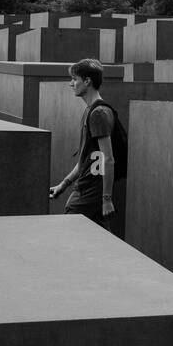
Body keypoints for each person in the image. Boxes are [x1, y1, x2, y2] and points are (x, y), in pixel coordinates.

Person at [49, 59, 118, 229]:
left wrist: (106, 199)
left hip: (90, 190)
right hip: (90, 188)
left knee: (68, 231)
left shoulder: (98, 114)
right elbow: (86, 159)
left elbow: (108, 159)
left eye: (74, 79)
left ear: (87, 81)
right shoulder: (91, 111)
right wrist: (63, 185)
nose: (71, 84)